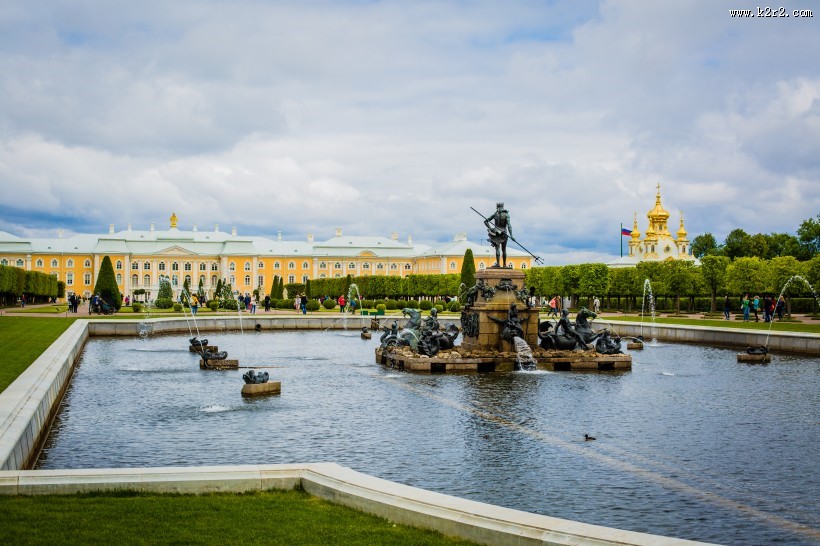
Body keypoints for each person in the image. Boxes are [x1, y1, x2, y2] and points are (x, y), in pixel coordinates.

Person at [483, 202, 513, 268]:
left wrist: (490, 228)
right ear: (503, 207)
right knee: (504, 249)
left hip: (496, 233)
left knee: (497, 249)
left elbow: (485, 221)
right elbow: (509, 226)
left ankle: (498, 264)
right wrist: (511, 236)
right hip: (504, 233)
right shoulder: (506, 215)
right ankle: (504, 264)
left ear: (497, 207)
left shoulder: (495, 214)